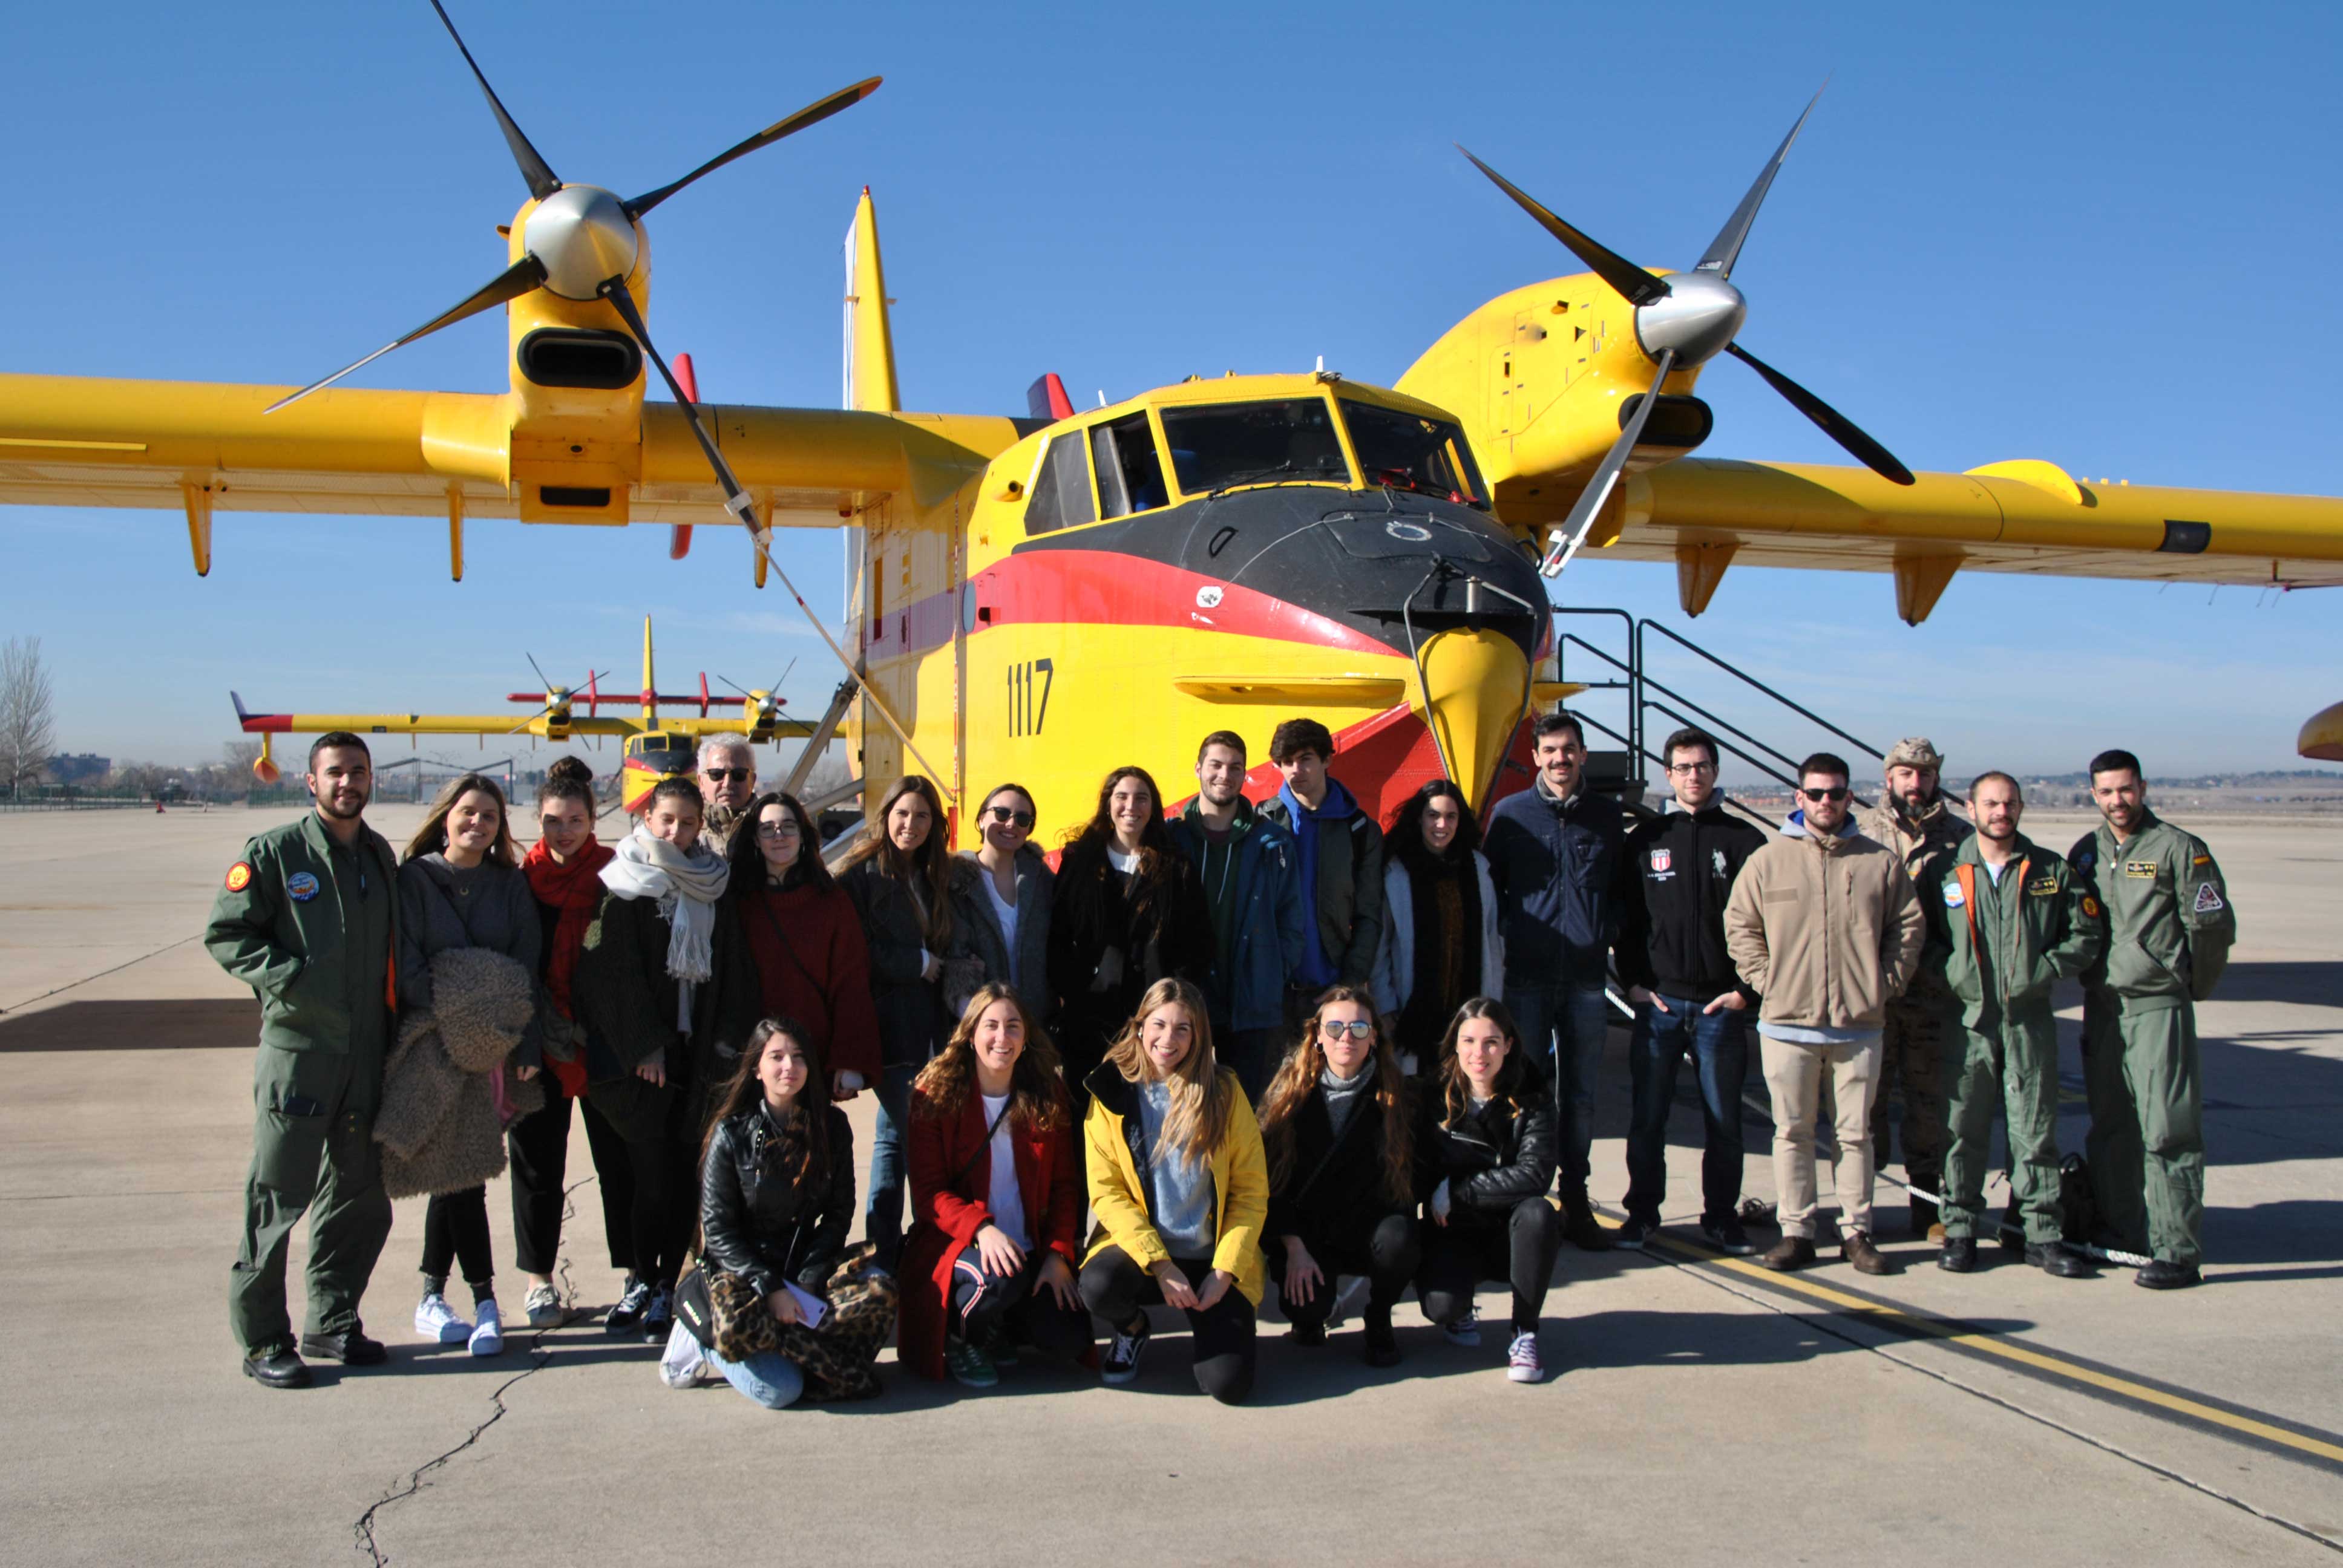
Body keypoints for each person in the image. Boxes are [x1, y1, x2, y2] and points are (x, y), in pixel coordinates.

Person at [206, 733, 399, 1388]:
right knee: (277, 1197)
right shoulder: (275, 854)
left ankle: (332, 1318)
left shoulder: (379, 856)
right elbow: (227, 933)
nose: (349, 783)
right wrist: (289, 978)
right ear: (310, 782)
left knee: (357, 1194)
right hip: (300, 1054)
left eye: (359, 772)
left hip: (365, 1054)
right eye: (336, 773)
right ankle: (263, 1338)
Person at [1724, 753, 1926, 1275]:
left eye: (1835, 793)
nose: (1826, 802)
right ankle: (1797, 1231)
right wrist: (1770, 981)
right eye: (1815, 793)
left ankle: (1857, 1232)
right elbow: (1740, 925)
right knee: (1791, 1131)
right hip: (1788, 1025)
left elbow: (1907, 929)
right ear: (1799, 798)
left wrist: (1884, 986)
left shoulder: (1879, 862)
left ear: (1848, 796)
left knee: (1856, 1133)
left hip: (1858, 1025)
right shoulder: (1770, 861)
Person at [572, 776, 755, 1342]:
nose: (676, 831)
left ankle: (667, 1285)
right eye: (667, 820)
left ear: (703, 824)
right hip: (643, 1057)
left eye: (688, 821)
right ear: (648, 819)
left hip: (696, 1052)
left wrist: (727, 1044)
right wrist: (643, 1043)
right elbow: (607, 970)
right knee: (644, 1174)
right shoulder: (625, 881)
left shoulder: (714, 885)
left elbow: (732, 972)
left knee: (681, 1173)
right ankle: (640, 1277)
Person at [2069, 750, 2236, 1290]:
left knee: (2168, 1130)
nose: (2117, 801)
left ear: (2142, 787)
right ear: (2093, 794)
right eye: (2106, 792)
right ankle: (2123, 1233)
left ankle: (2177, 1250)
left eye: (2125, 789)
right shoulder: (2086, 853)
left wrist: (2191, 986)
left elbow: (2210, 928)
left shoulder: (2179, 849)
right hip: (2104, 1008)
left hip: (2157, 1006)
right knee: (2112, 1127)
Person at [392, 774, 542, 1357]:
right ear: (446, 815)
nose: (477, 824)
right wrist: (465, 1007)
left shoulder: (511, 884)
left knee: (456, 1171)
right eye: (468, 812)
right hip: (434, 1045)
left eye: (489, 816)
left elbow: (524, 966)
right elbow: (408, 964)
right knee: (460, 1172)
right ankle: (483, 1300)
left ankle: (432, 1295)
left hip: (495, 1051)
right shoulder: (417, 879)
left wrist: (519, 1041)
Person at [676, 1019, 897, 1406]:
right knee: (783, 1391)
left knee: (881, 1290)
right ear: (756, 1068)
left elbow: (838, 1214)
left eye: (798, 1058)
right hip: (742, 1275)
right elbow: (718, 1230)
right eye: (776, 1057)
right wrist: (771, 1289)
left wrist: (810, 1278)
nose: (788, 1067)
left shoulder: (832, 1127)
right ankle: (703, 1337)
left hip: (802, 1267)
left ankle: (793, 1348)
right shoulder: (731, 1133)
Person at [1935, 773, 2102, 1278]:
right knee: (1962, 1129)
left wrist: (2046, 969)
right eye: (1990, 803)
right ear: (1971, 808)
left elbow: (2086, 931)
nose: (2000, 812)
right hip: (1968, 1023)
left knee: (2034, 1132)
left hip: (2029, 1021)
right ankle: (1961, 1230)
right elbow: (1920, 936)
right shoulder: (1947, 872)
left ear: (2021, 807)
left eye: (2009, 803)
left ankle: (2041, 1235)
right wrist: (1953, 975)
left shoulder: (2050, 870)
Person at [1613, 728, 1768, 1253]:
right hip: (1659, 1004)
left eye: (1702, 766)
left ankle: (1722, 1217)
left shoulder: (1746, 842)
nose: (1693, 775)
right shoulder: (1646, 840)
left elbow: (1769, 925)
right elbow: (1627, 921)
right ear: (1668, 774)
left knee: (1724, 1122)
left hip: (1721, 1006)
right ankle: (1642, 1215)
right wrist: (1633, 984)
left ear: (1716, 771)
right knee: (1648, 1118)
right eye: (1683, 767)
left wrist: (1748, 991)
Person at [1077, 978, 1268, 1404]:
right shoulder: (1109, 1091)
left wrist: (1226, 1271)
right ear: (1140, 1026)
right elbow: (1107, 1192)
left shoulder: (1224, 1091)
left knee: (1229, 1386)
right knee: (1098, 1284)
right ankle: (1132, 1330)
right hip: (1145, 1257)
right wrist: (1161, 1265)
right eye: (1159, 1024)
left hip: (1212, 1262)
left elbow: (1251, 1192)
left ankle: (1217, 1322)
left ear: (1200, 1036)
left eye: (1184, 1029)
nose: (1168, 1039)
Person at [1483, 710, 1628, 1250]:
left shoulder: (1606, 817)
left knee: (1582, 1098)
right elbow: (1490, 889)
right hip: (1527, 979)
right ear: (1537, 758)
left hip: (1587, 982)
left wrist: (1603, 933)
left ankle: (1577, 1200)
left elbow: (1620, 891)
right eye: (1550, 751)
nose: (1560, 759)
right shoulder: (1511, 816)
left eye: (1569, 750)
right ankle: (1524, 1200)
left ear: (1582, 754)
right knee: (1523, 1093)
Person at [900, 986, 1090, 1387]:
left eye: (1013, 1027)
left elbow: (1065, 1185)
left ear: (1026, 1039)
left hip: (1029, 1245)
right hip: (958, 1243)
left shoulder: (1047, 1092)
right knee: (995, 1282)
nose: (1001, 1038)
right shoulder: (932, 1095)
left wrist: (1059, 1253)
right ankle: (960, 1339)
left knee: (1067, 1338)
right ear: (970, 1034)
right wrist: (981, 1230)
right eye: (991, 1026)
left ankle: (1000, 1327)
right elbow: (929, 1195)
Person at [509, 759, 634, 1330]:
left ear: (592, 820)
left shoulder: (617, 875)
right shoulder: (519, 882)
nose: (565, 831)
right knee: (538, 1165)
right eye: (554, 820)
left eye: (576, 820)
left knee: (620, 1161)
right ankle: (538, 1280)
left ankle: (636, 1270)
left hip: (604, 1042)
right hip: (540, 1045)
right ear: (538, 820)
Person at [1256, 986, 1419, 1367]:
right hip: (1307, 1234)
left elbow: (1411, 1183)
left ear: (1374, 1038)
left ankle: (1379, 1317)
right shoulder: (1288, 1095)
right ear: (1317, 1037)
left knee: (1402, 1238)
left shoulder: (1399, 1097)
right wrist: (1293, 1247)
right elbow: (1268, 1181)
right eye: (1335, 1028)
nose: (1347, 1037)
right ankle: (1311, 1316)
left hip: (1370, 1228)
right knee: (1307, 1311)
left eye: (1359, 1029)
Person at [1853, 737, 1973, 1241]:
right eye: (1906, 773)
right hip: (1875, 992)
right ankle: (1859, 1213)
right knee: (1865, 1107)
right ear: (1889, 778)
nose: (1915, 783)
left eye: (1924, 774)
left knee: (1930, 1106)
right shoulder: (1863, 832)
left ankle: (1927, 1209)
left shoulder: (1961, 837)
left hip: (1932, 994)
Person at [839, 775, 962, 1269]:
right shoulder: (860, 877)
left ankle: (885, 1250)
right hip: (888, 1027)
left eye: (922, 816)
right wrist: (915, 962)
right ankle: (926, 1243)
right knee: (919, 1140)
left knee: (892, 1136)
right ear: (886, 816)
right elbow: (852, 952)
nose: (910, 825)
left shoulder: (934, 875)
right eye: (902, 814)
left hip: (931, 1025)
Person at [1412, 998, 1564, 1385]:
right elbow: (1416, 1168)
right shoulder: (1433, 1094)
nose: (1479, 1054)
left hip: (1509, 1233)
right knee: (1441, 1306)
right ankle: (1460, 1307)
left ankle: (1524, 1332)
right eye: (1469, 1041)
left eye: (1491, 1042)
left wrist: (1461, 1191)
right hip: (1453, 1230)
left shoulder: (1534, 1094)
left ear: (1509, 1045)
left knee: (1539, 1212)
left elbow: (1534, 1175)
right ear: (1455, 1044)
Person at [1047, 766, 1211, 1108]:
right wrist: (1073, 988)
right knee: (1087, 1112)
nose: (1130, 806)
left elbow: (1197, 943)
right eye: (1121, 797)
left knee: (1148, 1114)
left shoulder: (1176, 868)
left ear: (1153, 808)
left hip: (1153, 1022)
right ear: (1108, 804)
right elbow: (1057, 936)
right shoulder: (1080, 862)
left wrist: (1172, 1002)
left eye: (1142, 798)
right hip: (1089, 1020)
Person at [1167, 731, 1304, 1101]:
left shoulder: (1272, 842)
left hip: (1250, 1005)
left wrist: (1274, 971)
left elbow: (1293, 918)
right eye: (1215, 765)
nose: (1224, 775)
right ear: (1198, 769)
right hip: (1185, 1005)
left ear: (1245, 775)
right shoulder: (1171, 840)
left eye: (1235, 768)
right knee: (1183, 1110)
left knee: (1243, 1114)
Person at [722, 789, 880, 1103]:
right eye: (767, 829)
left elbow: (850, 984)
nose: (778, 836)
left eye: (788, 826)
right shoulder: (737, 902)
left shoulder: (831, 901)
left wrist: (847, 1058)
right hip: (750, 1057)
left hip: (811, 1055)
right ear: (755, 839)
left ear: (804, 835)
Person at [1260, 718, 1386, 1031]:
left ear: (1327, 760)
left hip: (1332, 992)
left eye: (1305, 760)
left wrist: (1350, 984)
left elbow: (1369, 914)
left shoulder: (1360, 830)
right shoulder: (1261, 823)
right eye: (1286, 762)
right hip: (1271, 992)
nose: (1294, 771)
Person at [1372, 778, 1504, 1075]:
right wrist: (1386, 1006)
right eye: (1434, 815)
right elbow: (1380, 945)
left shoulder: (1478, 869)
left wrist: (1493, 1003)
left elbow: (1491, 941)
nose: (1441, 824)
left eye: (1450, 816)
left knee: (1463, 1088)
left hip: (1467, 1003)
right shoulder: (1397, 872)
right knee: (1414, 1096)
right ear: (1420, 818)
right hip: (1412, 1010)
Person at [957, 783, 1054, 1010]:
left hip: (1037, 1022)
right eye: (1001, 813)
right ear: (981, 819)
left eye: (1022, 819)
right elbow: (952, 954)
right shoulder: (957, 884)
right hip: (981, 1022)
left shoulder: (1043, 882)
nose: (1011, 823)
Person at [695, 734, 759, 855]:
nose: (728, 784)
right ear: (701, 781)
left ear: (753, 780)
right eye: (716, 774)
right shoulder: (683, 832)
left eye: (739, 774)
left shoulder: (772, 830)